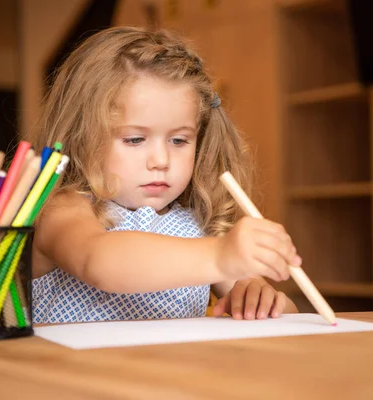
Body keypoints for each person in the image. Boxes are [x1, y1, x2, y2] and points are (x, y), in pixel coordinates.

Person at [29, 26, 300, 324]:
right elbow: (100, 261)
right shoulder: (64, 208)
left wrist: (261, 298)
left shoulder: (199, 225)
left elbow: (285, 315)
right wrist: (220, 256)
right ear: (82, 136)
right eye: (134, 140)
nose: (161, 160)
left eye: (179, 140)